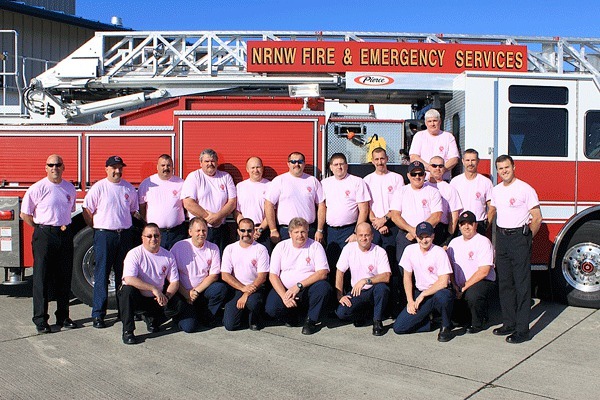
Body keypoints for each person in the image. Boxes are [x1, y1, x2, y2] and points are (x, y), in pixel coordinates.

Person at [488, 155, 542, 344]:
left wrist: (527, 238)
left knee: (522, 286)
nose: (504, 171)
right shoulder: (496, 191)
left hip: (519, 238)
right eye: (500, 169)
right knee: (505, 284)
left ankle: (522, 330)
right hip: (502, 238)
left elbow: (537, 217)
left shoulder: (525, 189)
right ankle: (509, 323)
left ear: (514, 167)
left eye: (507, 167)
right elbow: (492, 212)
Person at [21, 154, 77, 334]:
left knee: (64, 276)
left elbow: (71, 209)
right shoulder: (37, 188)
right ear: (45, 168)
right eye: (51, 165)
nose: (55, 168)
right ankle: (40, 319)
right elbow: (25, 214)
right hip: (45, 234)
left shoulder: (69, 187)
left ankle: (63, 316)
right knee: (41, 277)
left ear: (63, 167)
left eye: (58, 164)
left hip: (65, 233)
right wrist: (41, 228)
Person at [83, 155, 138, 329]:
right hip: (105, 235)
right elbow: (87, 209)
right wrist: (96, 227)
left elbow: (133, 211)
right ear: (106, 169)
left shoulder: (128, 188)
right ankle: (98, 314)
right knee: (102, 275)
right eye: (113, 167)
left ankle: (124, 312)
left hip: (124, 236)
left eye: (120, 167)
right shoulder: (99, 187)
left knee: (124, 275)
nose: (117, 171)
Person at [265, 217, 331, 335]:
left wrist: (298, 286)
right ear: (290, 234)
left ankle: (311, 320)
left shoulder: (315, 246)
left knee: (323, 287)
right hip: (286, 290)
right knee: (271, 308)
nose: (300, 235)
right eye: (296, 232)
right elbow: (273, 275)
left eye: (303, 232)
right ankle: (291, 316)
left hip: (307, 288)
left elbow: (323, 273)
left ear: (307, 232)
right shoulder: (281, 247)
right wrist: (284, 296)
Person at [393, 222, 455, 342]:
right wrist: (410, 301)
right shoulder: (409, 250)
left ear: (433, 236)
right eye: (420, 237)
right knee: (399, 327)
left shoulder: (439, 252)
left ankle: (446, 326)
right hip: (421, 293)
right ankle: (429, 322)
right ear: (416, 237)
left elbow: (443, 281)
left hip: (437, 292)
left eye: (427, 236)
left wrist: (423, 294)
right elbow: (407, 277)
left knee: (444, 296)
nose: (424, 240)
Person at [118, 223, 179, 344]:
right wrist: (153, 289)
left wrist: (166, 296)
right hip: (139, 298)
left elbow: (175, 282)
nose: (153, 239)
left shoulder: (168, 256)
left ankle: (153, 320)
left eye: (156, 236)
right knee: (126, 291)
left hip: (157, 299)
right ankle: (128, 331)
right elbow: (129, 279)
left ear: (160, 237)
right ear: (142, 238)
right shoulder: (134, 254)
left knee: (179, 304)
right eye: (149, 236)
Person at [169, 217, 228, 333]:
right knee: (189, 328)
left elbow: (214, 275)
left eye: (204, 230)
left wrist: (195, 291)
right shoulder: (178, 247)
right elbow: (171, 276)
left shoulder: (213, 248)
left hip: (201, 291)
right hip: (182, 292)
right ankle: (181, 316)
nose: (201, 234)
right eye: (198, 231)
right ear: (190, 232)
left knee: (220, 289)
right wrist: (186, 294)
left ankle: (206, 316)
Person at [321, 153, 370, 285]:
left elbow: (364, 209)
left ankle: (350, 296)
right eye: (336, 164)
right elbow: (321, 208)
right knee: (332, 264)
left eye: (342, 164)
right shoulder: (324, 184)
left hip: (350, 231)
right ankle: (335, 297)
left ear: (347, 165)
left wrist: (356, 233)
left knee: (350, 265)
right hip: (330, 231)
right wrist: (320, 230)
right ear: (331, 167)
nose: (339, 167)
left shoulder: (357, 182)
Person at [335, 222, 391, 336]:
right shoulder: (349, 248)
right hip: (357, 291)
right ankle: (363, 314)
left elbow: (386, 276)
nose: (364, 238)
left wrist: (366, 280)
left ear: (372, 236)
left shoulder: (379, 252)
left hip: (373, 289)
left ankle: (377, 321)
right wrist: (340, 295)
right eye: (360, 235)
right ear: (356, 235)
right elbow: (340, 271)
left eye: (367, 235)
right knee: (342, 313)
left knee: (382, 288)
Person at [446, 211, 496, 333]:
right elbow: (449, 268)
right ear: (459, 226)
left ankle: (478, 322)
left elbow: (484, 271)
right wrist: (454, 285)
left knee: (473, 295)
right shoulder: (454, 243)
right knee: (455, 315)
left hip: (481, 281)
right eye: (463, 224)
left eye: (469, 224)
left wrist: (464, 287)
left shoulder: (483, 242)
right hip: (459, 285)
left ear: (475, 225)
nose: (466, 227)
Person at [181, 148, 237, 252]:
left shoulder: (225, 177)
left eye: (213, 161)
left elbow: (232, 202)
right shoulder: (194, 177)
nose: (210, 164)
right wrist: (208, 217)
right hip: (200, 230)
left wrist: (218, 217)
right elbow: (188, 203)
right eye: (207, 161)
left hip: (220, 229)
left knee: (218, 261)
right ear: (200, 163)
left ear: (217, 162)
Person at [264, 152, 325, 244]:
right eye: (293, 161)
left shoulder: (313, 181)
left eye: (300, 161)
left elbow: (321, 205)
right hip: (286, 231)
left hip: (309, 230)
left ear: (304, 163)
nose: (296, 164)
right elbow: (268, 205)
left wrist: (319, 230)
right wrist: (273, 229)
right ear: (288, 164)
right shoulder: (279, 181)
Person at [390, 160, 442, 266]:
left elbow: (436, 216)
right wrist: (411, 230)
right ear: (408, 175)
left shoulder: (434, 192)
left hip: (426, 237)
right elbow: (395, 216)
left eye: (420, 173)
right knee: (405, 269)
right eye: (414, 174)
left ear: (425, 175)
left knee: (427, 268)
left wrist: (419, 232)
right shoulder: (400, 192)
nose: (417, 177)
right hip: (406, 235)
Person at [221, 218, 270, 331]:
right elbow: (225, 275)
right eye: (242, 230)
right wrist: (243, 288)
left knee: (252, 303)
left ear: (254, 231)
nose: (246, 234)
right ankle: (243, 315)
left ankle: (255, 317)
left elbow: (262, 277)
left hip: (255, 288)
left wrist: (246, 294)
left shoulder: (261, 249)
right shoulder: (230, 249)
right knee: (230, 326)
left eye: (249, 231)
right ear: (238, 231)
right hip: (237, 288)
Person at [363, 147, 404, 268]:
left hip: (392, 225)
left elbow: (398, 204)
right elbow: (367, 205)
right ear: (372, 161)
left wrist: (385, 220)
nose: (380, 162)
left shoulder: (397, 178)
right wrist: (376, 223)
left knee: (392, 259)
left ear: (387, 159)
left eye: (382, 158)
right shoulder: (366, 180)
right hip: (374, 225)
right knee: (373, 259)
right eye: (377, 159)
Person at [138, 154, 186, 250]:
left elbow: (186, 205)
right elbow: (141, 207)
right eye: (163, 165)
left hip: (177, 233)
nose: (166, 168)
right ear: (157, 167)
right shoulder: (147, 183)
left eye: (169, 165)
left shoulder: (181, 183)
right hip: (155, 234)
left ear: (172, 167)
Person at [450, 149, 493, 235]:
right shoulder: (455, 182)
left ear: (478, 161)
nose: (470, 163)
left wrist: (485, 226)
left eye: (473, 160)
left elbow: (492, 207)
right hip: (460, 224)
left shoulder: (486, 182)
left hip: (478, 224)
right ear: (462, 161)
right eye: (467, 160)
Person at [409, 109, 459, 181]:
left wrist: (440, 171)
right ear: (426, 123)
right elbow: (413, 157)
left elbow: (454, 159)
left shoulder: (448, 137)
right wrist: (430, 169)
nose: (432, 124)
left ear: (440, 122)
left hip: (443, 180)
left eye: (435, 121)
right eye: (429, 121)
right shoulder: (419, 136)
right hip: (424, 180)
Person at [233, 156, 271, 251]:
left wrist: (260, 229)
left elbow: (272, 212)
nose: (256, 170)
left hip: (263, 231)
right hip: (244, 232)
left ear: (262, 168)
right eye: (252, 168)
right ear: (247, 169)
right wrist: (245, 229)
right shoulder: (240, 186)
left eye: (258, 167)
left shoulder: (270, 185)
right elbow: (236, 211)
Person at [425, 156, 462, 247]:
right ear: (429, 167)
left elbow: (454, 217)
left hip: (440, 230)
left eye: (441, 166)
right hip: (423, 230)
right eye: (434, 165)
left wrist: (447, 240)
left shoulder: (450, 189)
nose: (437, 168)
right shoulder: (423, 186)